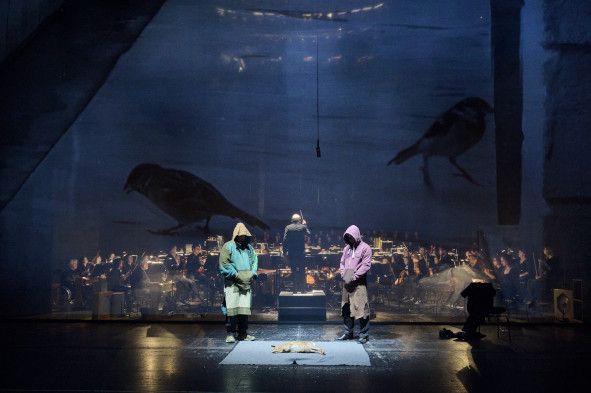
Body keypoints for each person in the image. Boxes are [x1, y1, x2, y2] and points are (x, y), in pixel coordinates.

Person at [219, 222, 258, 343]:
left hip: (246, 284)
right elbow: (224, 263)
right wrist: (236, 275)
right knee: (232, 310)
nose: (242, 237)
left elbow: (254, 261)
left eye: (244, 235)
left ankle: (243, 334)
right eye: (240, 235)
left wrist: (252, 273)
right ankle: (230, 334)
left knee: (243, 310)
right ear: (236, 234)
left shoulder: (249, 248)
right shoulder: (228, 246)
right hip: (233, 284)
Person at [337, 225, 372, 344]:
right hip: (347, 278)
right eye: (347, 237)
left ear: (356, 235)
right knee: (346, 308)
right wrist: (344, 274)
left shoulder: (365, 248)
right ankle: (348, 333)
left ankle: (364, 335)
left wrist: (355, 276)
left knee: (362, 309)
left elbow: (366, 265)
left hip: (359, 280)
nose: (350, 239)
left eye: (351, 236)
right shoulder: (346, 248)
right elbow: (342, 263)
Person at [283, 213, 310, 292]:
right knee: (302, 270)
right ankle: (303, 289)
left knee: (294, 271)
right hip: (301, 252)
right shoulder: (303, 226)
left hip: (292, 252)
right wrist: (305, 224)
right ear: (299, 220)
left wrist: (285, 251)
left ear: (292, 220)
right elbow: (309, 233)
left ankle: (294, 289)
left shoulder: (288, 227)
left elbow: (284, 240)